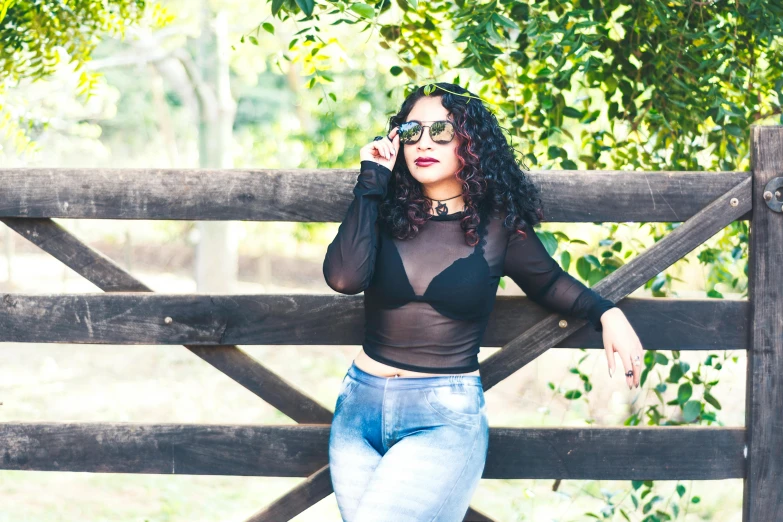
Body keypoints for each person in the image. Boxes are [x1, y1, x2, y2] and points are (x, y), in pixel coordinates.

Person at [322, 82, 644, 522]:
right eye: (412, 131)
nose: (425, 143)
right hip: (357, 410)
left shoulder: (498, 227)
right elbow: (344, 277)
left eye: (442, 131)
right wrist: (371, 182)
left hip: (441, 417)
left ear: (470, 143)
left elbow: (549, 283)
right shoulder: (381, 211)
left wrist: (607, 312)